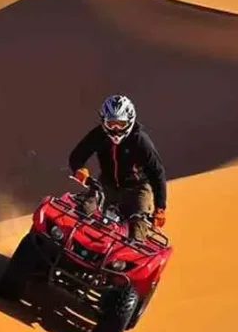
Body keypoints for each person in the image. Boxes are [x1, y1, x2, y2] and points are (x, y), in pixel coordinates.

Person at [68, 94, 167, 241]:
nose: (115, 129)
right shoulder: (99, 135)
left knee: (137, 233)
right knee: (83, 212)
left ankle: (124, 260)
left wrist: (160, 207)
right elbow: (76, 156)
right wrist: (80, 170)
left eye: (120, 124)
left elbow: (157, 172)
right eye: (111, 123)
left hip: (137, 189)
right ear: (104, 122)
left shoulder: (140, 141)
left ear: (130, 121)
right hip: (105, 185)